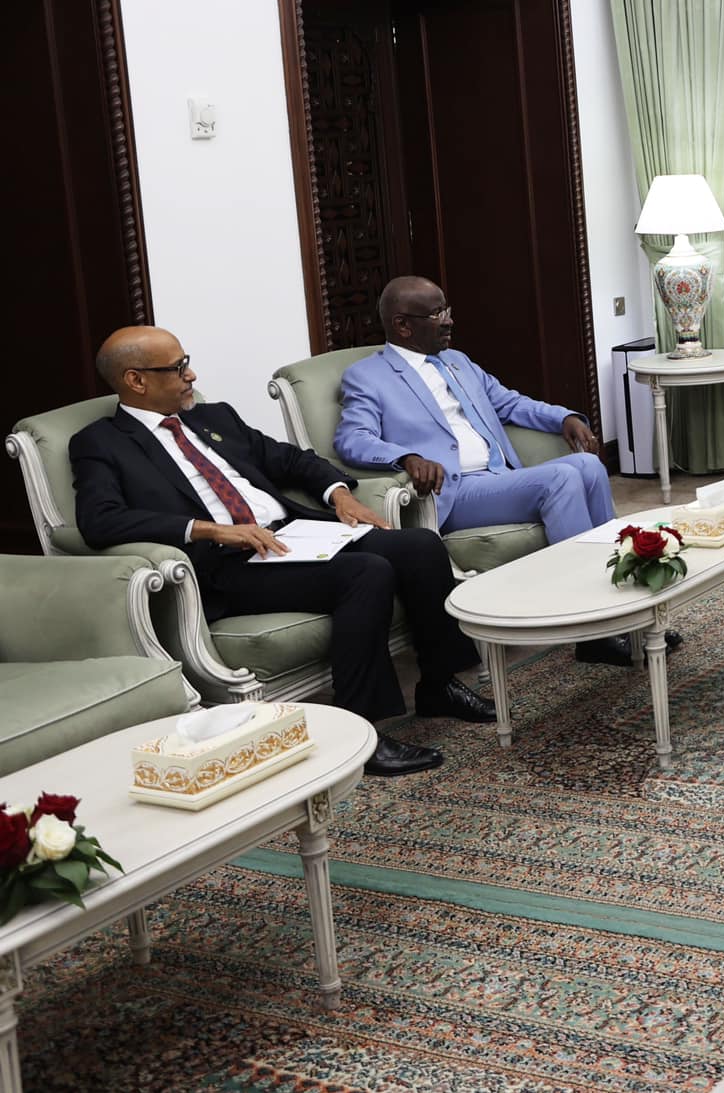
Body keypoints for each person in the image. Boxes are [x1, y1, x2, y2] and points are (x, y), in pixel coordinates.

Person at [70, 328, 493, 778]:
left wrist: (338, 494)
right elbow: (100, 521)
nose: (191, 376)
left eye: (186, 362)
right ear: (135, 380)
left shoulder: (213, 417)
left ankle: (438, 685)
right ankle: (359, 732)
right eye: (177, 368)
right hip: (228, 566)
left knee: (418, 545)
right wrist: (208, 530)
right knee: (365, 572)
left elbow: (290, 460)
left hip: (292, 535)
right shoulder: (101, 443)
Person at [334, 277, 631, 666]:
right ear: (403, 325)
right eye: (437, 314)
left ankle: (621, 600)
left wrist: (564, 418)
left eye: (447, 309)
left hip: (500, 478)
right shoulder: (367, 376)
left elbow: (509, 403)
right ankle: (585, 621)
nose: (449, 321)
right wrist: (406, 456)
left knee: (589, 465)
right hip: (454, 491)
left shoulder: (458, 361)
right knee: (561, 478)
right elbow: (352, 438)